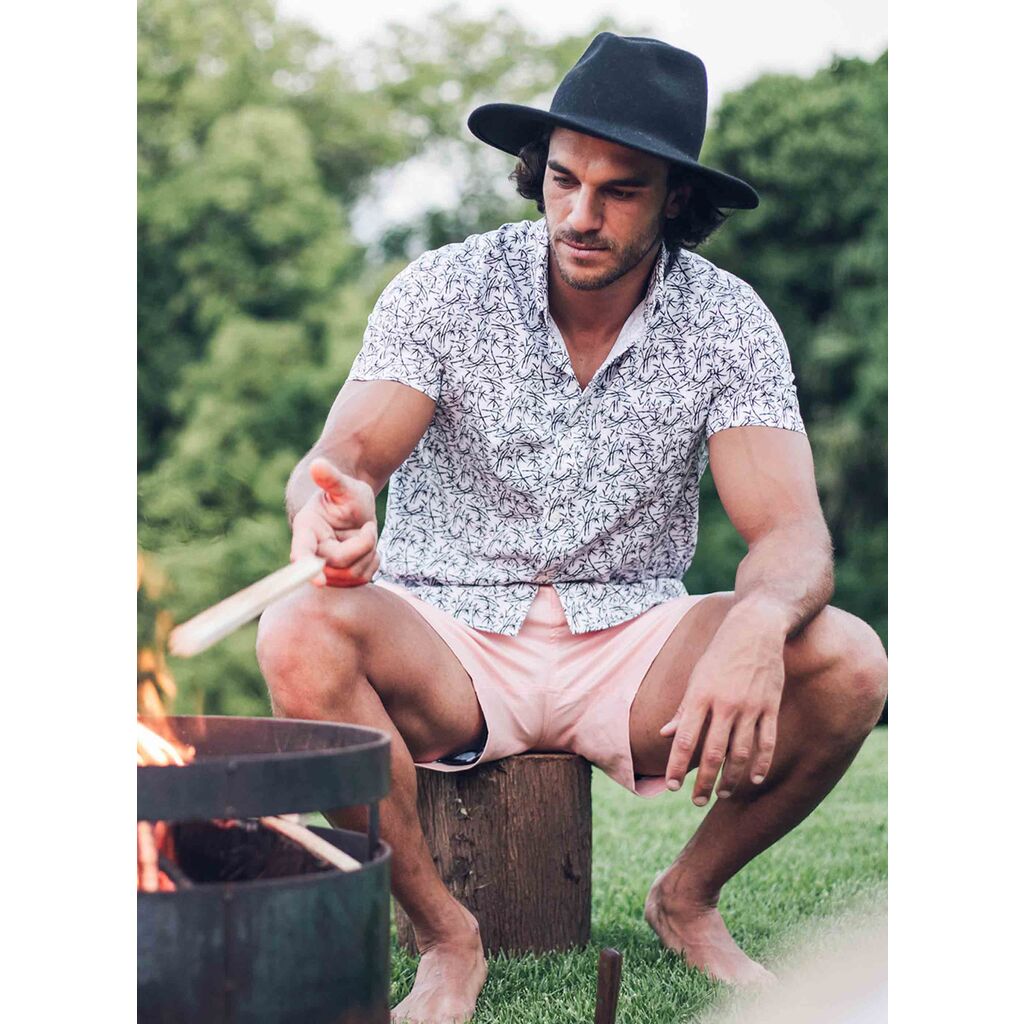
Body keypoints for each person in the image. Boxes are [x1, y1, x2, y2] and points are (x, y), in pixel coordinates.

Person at [256, 33, 888, 1024]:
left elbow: (792, 533)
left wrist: (760, 626)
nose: (581, 215)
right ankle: (442, 933)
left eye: (620, 191)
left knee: (849, 660)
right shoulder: (446, 287)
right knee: (294, 627)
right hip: (446, 634)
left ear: (675, 197)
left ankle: (687, 897)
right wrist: (327, 508)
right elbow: (340, 460)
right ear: (537, 172)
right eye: (563, 180)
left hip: (632, 642)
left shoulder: (729, 322)